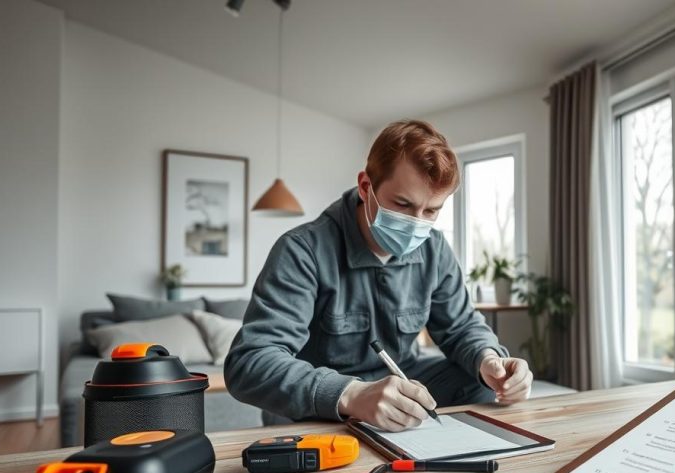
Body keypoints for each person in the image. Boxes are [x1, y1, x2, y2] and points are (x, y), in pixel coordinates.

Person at [225, 120, 533, 431]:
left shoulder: (435, 249)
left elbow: (462, 327)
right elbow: (250, 363)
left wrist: (490, 360)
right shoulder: (302, 250)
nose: (416, 224)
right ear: (365, 186)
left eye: (431, 211)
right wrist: (351, 393)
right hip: (319, 406)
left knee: (477, 381)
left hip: (402, 382)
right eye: (403, 204)